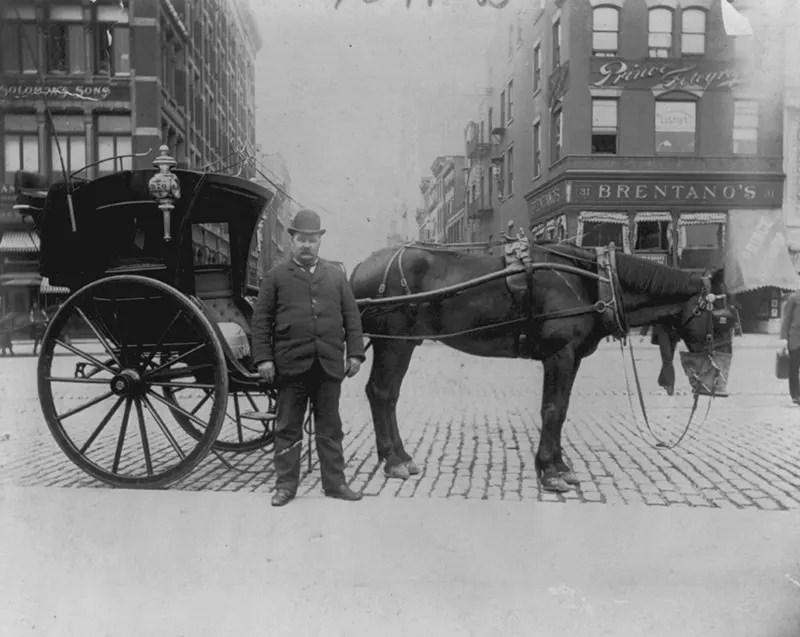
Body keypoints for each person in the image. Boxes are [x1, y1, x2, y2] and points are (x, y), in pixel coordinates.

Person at [251, 209, 366, 506]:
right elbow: (261, 320)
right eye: (301, 239)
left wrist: (354, 354)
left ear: (319, 242)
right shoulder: (276, 277)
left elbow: (352, 318)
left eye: (312, 240)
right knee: (288, 427)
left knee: (330, 428)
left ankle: (336, 484)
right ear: (292, 240)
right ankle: (285, 487)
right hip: (291, 366)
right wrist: (264, 359)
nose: (307, 245)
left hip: (328, 365)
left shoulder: (336, 277)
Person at [779, 289, 800, 405]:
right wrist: (784, 338)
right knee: (794, 367)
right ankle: (796, 395)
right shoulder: (794, 298)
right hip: (795, 337)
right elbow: (786, 319)